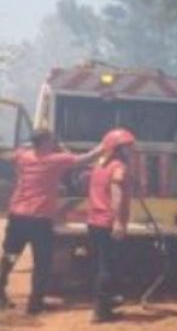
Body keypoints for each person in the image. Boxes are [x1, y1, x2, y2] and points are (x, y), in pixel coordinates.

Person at [0, 128, 102, 314]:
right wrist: (107, 145)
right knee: (42, 262)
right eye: (52, 139)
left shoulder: (23, 156)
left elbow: (8, 155)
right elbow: (86, 159)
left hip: (17, 215)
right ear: (46, 141)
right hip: (39, 220)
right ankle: (35, 304)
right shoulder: (55, 160)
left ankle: (0, 293)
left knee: (10, 255)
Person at [87, 128, 137, 324]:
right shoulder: (118, 167)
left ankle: (104, 304)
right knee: (108, 266)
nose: (131, 151)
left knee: (102, 264)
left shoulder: (99, 166)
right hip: (108, 222)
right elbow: (115, 195)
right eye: (128, 148)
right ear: (118, 149)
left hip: (94, 221)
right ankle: (101, 312)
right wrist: (118, 221)